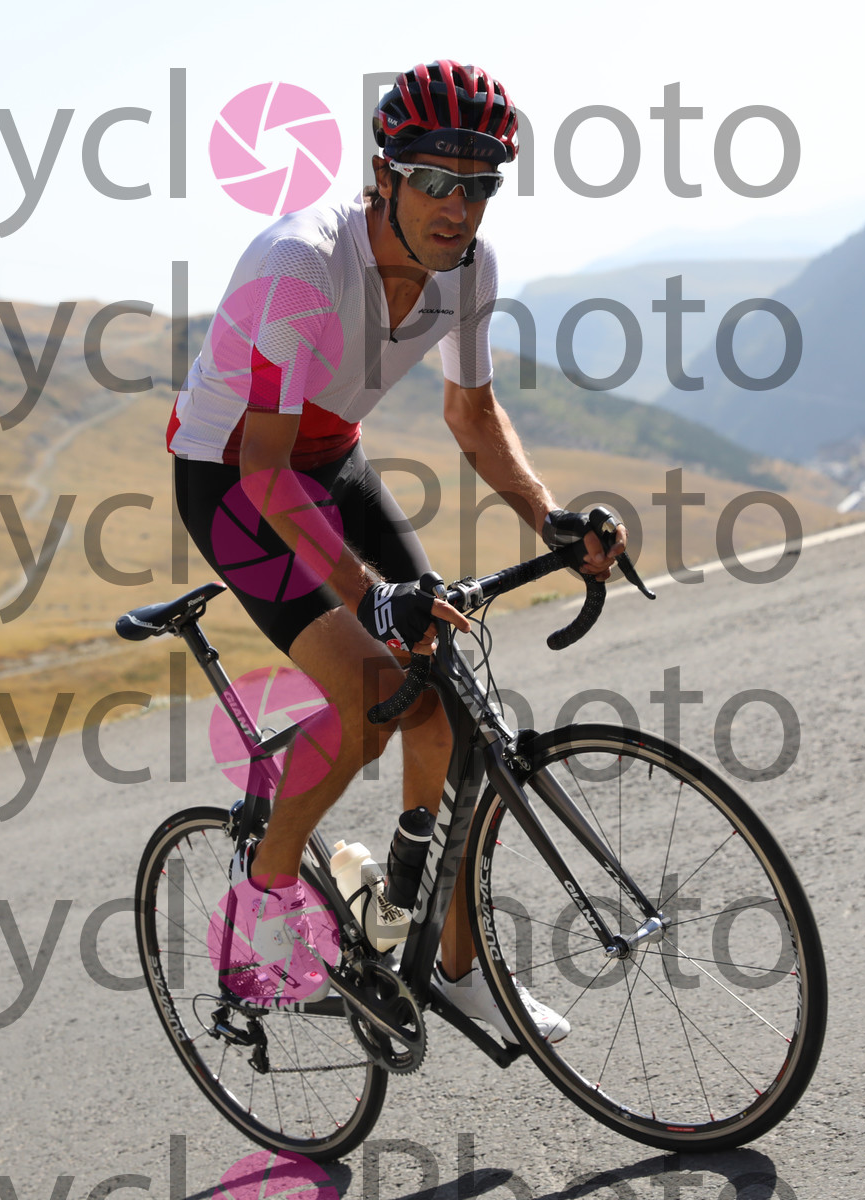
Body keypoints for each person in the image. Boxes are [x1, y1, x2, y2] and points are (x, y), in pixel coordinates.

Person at [168, 60, 625, 1043]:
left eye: (480, 183)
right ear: (384, 175)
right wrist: (372, 596)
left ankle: (452, 964)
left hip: (333, 460)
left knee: (449, 707)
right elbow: (264, 468)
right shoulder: (300, 265)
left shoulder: (468, 267)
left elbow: (472, 412)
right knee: (376, 693)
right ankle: (262, 902)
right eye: (435, 180)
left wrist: (548, 519)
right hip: (236, 477)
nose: (459, 206)